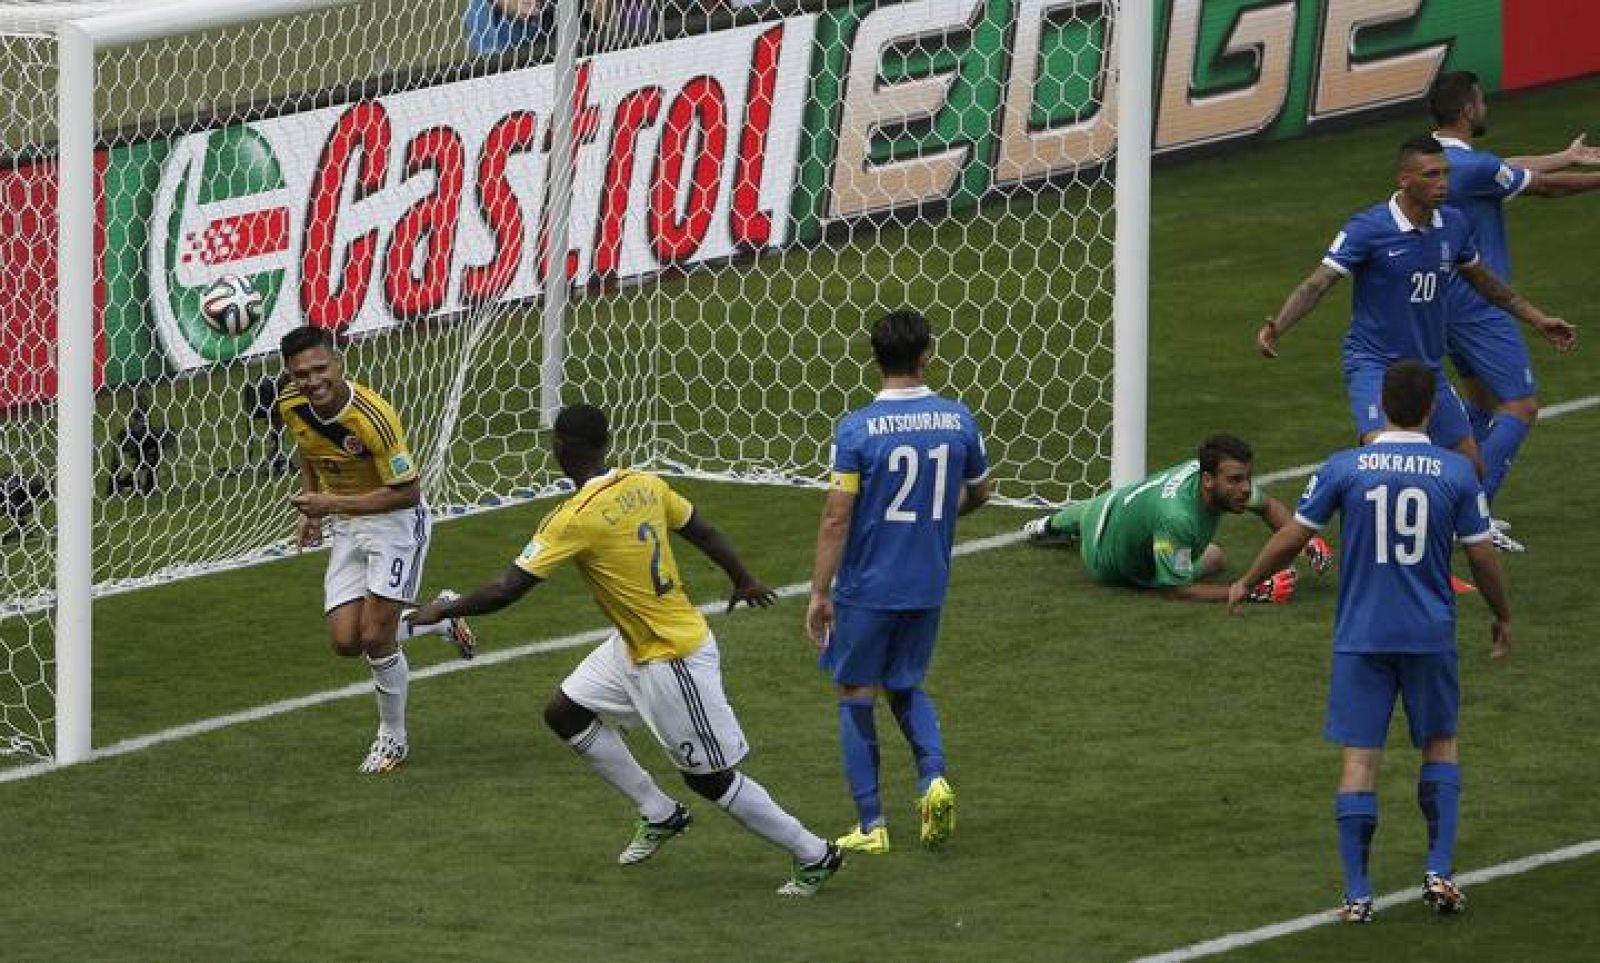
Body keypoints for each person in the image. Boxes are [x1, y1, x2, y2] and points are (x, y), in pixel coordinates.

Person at [408, 403, 845, 897]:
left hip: (671, 656)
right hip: (634, 643)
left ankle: (814, 853)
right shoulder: (645, 483)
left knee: (711, 780)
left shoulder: (572, 518)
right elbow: (700, 528)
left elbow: (508, 588)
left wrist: (442, 611)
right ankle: (658, 812)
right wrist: (742, 578)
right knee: (565, 712)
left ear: (561, 448)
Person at [1226, 359, 1512, 923]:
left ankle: (1358, 894)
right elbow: (1480, 553)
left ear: (1380, 404)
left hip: (1361, 634)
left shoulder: (1344, 468)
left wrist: (1246, 580)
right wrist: (1503, 615)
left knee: (1360, 759)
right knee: (1440, 743)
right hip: (1429, 633)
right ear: (1431, 409)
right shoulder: (1457, 473)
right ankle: (1439, 871)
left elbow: (1293, 536)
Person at [1256, 135, 1577, 476]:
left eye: (1445, 174)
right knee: (1383, 460)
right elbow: (1317, 284)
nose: (1442, 184)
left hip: (1427, 369)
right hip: (1375, 364)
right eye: (1431, 175)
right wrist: (1279, 326)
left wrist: (1538, 319)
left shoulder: (1453, 224)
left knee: (1472, 471)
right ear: (1404, 180)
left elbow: (1486, 283)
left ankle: (1459, 531)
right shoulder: (1368, 228)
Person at [804, 309, 991, 856]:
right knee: (906, 685)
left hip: (869, 585)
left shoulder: (857, 428)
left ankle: (871, 825)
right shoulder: (959, 420)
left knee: (855, 693)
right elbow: (980, 491)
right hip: (928, 581)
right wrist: (940, 515)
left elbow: (837, 517)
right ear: (926, 353)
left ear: (873, 356)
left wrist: (819, 591)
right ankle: (933, 778)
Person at [277, 326, 476, 775]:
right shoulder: (290, 401)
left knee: (376, 639)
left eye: (319, 369)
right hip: (348, 521)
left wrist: (330, 503)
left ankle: (393, 739)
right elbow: (307, 446)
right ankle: (441, 615)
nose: (312, 381)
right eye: (301, 373)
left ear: (338, 362)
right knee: (346, 641)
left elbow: (406, 493)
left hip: (396, 524)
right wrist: (311, 509)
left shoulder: (374, 419)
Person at [1428, 71, 1600, 545]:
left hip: (1444, 303)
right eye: (1481, 102)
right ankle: (1471, 520)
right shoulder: (1473, 169)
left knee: (1481, 408)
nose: (1485, 109)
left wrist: (1567, 155)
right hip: (1479, 306)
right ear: (1467, 110)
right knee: (1521, 406)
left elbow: (1501, 166)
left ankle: (1452, 504)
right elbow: (1542, 187)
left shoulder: (1439, 160)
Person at [1021, 434, 1330, 603]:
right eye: (1236, 480)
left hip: (1115, 502)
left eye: (1247, 478)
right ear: (1208, 480)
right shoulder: (1178, 517)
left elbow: (1268, 507)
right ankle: (1049, 526)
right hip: (1105, 559)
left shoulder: (1214, 479)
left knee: (1213, 556)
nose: (1245, 489)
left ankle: (1048, 525)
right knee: (1201, 559)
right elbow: (1175, 591)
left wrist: (1306, 539)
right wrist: (1247, 590)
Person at [106, 390, 173, 497]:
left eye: (144, 404)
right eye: (142, 404)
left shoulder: (140, 422)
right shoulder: (132, 425)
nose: (144, 406)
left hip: (137, 454)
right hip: (132, 455)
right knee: (149, 457)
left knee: (151, 455)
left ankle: (143, 485)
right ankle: (139, 485)